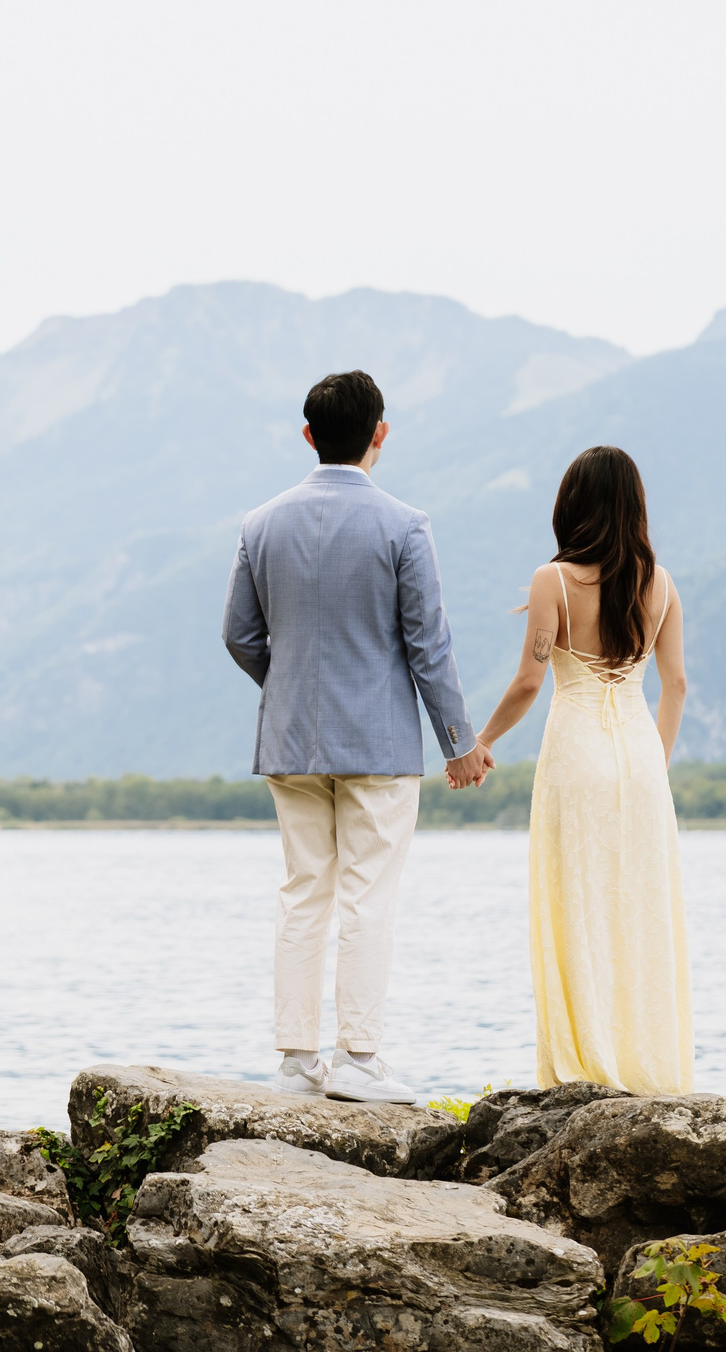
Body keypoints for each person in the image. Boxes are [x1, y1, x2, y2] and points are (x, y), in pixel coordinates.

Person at [223, 370, 490, 1104]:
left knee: (303, 890)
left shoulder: (260, 523)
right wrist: (459, 741)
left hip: (290, 744)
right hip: (378, 746)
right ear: (381, 433)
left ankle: (295, 1061)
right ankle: (360, 1059)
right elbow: (428, 645)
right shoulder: (404, 525)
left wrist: (287, 691)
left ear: (308, 436)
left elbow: (240, 636)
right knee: (369, 895)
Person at [453, 445, 694, 1094]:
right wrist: (653, 768)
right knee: (640, 910)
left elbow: (530, 680)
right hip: (643, 760)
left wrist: (478, 740)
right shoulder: (662, 584)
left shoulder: (552, 580)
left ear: (571, 506)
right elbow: (675, 684)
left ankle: (584, 1069)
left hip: (576, 754)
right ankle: (647, 1066)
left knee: (576, 904)